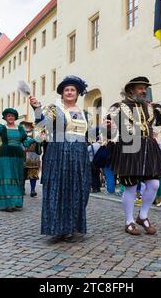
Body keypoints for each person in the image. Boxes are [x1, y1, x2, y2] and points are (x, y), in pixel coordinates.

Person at [105, 77, 161, 236]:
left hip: (148, 147)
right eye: (140, 88)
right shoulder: (118, 107)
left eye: (145, 88)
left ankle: (143, 216)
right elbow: (110, 129)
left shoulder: (152, 107)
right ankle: (129, 220)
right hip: (129, 147)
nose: (144, 91)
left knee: (154, 185)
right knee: (131, 186)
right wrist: (110, 130)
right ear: (131, 90)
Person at [30, 75, 92, 241]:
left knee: (79, 189)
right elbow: (43, 123)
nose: (70, 92)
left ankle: (72, 226)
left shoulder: (84, 113)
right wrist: (36, 108)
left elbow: (87, 135)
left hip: (79, 154)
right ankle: (59, 228)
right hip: (59, 153)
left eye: (73, 90)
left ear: (78, 93)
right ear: (62, 94)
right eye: (67, 90)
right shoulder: (54, 109)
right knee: (59, 188)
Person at [0, 109, 34, 211]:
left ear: (15, 117)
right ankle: (7, 203)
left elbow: (25, 141)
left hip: (18, 157)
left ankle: (16, 202)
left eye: (12, 116)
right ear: (5, 118)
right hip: (5, 156)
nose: (11, 118)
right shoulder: (1, 127)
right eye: (8, 116)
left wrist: (36, 139)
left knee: (16, 178)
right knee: (6, 177)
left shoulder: (20, 128)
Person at [22, 121, 42, 198]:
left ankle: (32, 190)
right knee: (22, 174)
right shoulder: (22, 133)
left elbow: (39, 144)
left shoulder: (36, 133)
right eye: (25, 126)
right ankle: (22, 189)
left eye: (28, 126)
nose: (27, 127)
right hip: (23, 155)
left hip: (33, 156)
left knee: (33, 174)